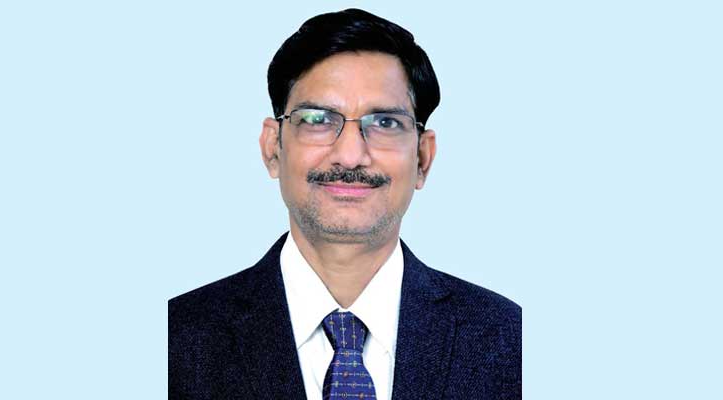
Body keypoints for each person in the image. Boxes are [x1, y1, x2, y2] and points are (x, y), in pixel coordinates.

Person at [169, 8, 521, 400]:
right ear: (273, 148)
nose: (351, 156)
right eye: (318, 119)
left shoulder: (510, 342)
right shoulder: (175, 341)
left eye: (385, 123)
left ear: (423, 158)